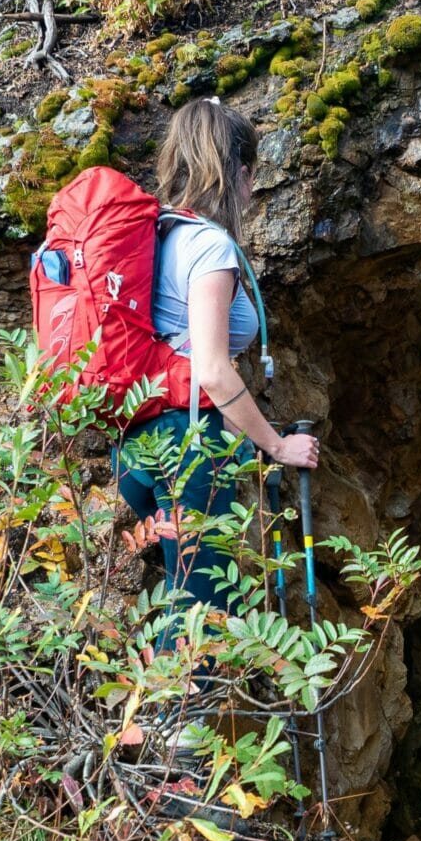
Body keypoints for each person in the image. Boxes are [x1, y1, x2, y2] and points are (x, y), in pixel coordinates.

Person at [114, 98, 319, 648]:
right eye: (251, 174)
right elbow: (212, 370)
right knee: (201, 616)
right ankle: (175, 731)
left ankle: (164, 727)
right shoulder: (208, 246)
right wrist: (276, 446)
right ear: (240, 173)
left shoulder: (155, 236)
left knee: (183, 598)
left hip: (135, 446)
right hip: (188, 449)